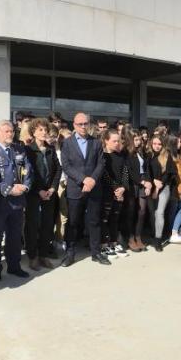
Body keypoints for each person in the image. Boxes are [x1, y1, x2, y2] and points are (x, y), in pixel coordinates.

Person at [0, 120, 32, 281]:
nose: (10, 134)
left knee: (15, 236)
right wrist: (9, 190)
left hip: (18, 202)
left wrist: (25, 187)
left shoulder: (19, 149)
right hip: (0, 202)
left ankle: (14, 266)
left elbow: (28, 170)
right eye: (7, 131)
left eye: (11, 131)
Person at [60, 113, 109, 265]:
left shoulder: (96, 142)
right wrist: (83, 179)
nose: (83, 126)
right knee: (73, 222)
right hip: (75, 188)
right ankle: (70, 253)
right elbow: (66, 166)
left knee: (94, 221)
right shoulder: (67, 143)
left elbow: (101, 163)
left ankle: (96, 253)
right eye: (79, 124)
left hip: (94, 188)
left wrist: (92, 179)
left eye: (85, 123)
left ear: (89, 124)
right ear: (74, 125)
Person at [24, 118, 60, 270]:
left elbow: (58, 169)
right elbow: (29, 173)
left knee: (47, 224)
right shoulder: (28, 150)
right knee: (32, 225)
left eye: (45, 130)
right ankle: (32, 256)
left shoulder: (50, 149)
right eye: (40, 130)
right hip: (34, 193)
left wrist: (52, 188)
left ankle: (43, 255)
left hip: (49, 193)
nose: (44, 132)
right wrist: (39, 190)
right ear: (33, 132)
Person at [100, 129, 130, 258]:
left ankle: (113, 243)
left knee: (115, 218)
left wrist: (123, 188)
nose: (117, 143)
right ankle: (103, 245)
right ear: (106, 141)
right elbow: (105, 174)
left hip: (119, 192)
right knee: (104, 219)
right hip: (106, 192)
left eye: (118, 141)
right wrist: (116, 188)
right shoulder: (102, 156)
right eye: (114, 141)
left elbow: (125, 173)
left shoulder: (120, 156)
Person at [148, 134, 175, 251]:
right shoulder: (148, 155)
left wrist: (158, 187)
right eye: (154, 143)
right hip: (150, 186)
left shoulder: (167, 155)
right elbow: (145, 172)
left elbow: (168, 174)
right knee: (152, 213)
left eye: (159, 144)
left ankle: (158, 240)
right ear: (151, 144)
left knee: (159, 212)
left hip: (164, 187)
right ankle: (154, 234)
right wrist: (153, 182)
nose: (157, 146)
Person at [126, 129, 151, 252]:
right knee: (131, 211)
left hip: (143, 182)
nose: (138, 142)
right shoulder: (127, 152)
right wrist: (142, 182)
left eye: (139, 139)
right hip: (132, 184)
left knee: (142, 211)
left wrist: (148, 184)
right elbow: (129, 172)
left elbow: (146, 169)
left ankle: (138, 237)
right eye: (136, 140)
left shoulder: (142, 152)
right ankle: (130, 238)